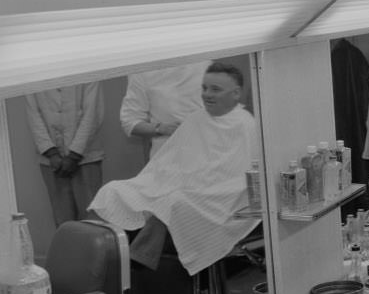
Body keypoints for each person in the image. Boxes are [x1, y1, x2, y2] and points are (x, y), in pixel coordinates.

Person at [90, 62, 258, 274]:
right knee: (113, 190)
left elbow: (245, 172)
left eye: (215, 89)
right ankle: (110, 261)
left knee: (172, 202)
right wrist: (170, 178)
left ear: (235, 94)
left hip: (220, 192)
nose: (206, 94)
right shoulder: (196, 118)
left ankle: (137, 264)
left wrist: (197, 182)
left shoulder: (244, 123)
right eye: (204, 88)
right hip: (182, 180)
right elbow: (175, 161)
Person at [25, 83, 105, 224]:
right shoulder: (32, 72)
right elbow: (33, 115)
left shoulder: (88, 68)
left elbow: (92, 113)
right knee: (63, 220)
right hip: (51, 159)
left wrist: (74, 154)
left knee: (92, 217)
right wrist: (51, 152)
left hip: (86, 156)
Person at [119, 60, 207, 157]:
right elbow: (129, 122)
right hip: (169, 157)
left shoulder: (204, 62)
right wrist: (161, 128)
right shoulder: (143, 72)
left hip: (210, 152)